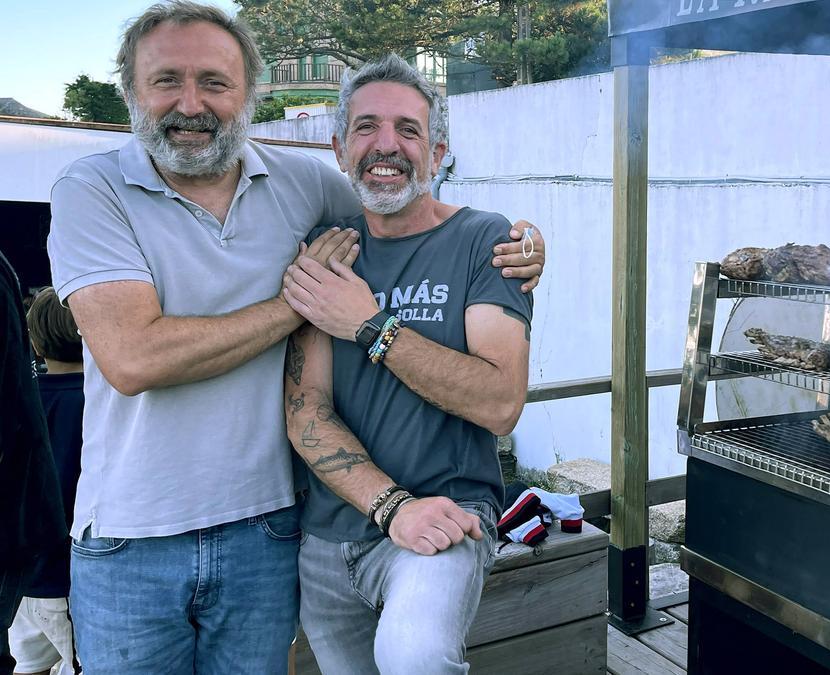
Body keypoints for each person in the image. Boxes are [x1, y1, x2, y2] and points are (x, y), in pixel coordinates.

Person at [45, 2, 545, 672]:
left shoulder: (304, 186)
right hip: (134, 538)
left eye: (215, 83)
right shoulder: (92, 188)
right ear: (133, 89)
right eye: (167, 80)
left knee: (415, 656)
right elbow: (135, 357)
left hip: (265, 527)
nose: (191, 103)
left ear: (247, 94)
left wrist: (521, 247)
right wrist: (301, 306)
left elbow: (406, 215)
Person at [279, 54, 532, 674]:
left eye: (408, 130)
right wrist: (391, 507)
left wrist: (370, 326)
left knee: (416, 658)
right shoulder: (328, 250)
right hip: (329, 537)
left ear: (438, 151)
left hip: (445, 521)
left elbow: (500, 403)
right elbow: (306, 411)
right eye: (366, 127)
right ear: (339, 148)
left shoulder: (484, 239)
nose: (385, 146)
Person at [0, 254, 67, 675]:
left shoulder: (37, 396)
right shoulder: (99, 403)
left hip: (29, 584)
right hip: (63, 570)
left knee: (27, 665)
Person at [10, 288, 83, 675]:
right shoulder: (101, 404)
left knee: (26, 666)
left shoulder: (22, 401)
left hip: (22, 576)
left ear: (34, 342)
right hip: (71, 578)